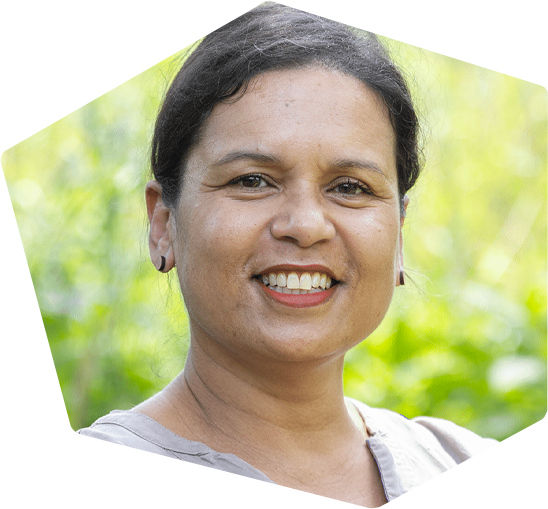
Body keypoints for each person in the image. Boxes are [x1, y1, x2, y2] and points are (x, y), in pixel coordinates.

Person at [55, 1, 511, 508]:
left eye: (350, 187)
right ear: (163, 225)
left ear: (399, 234)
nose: (306, 226)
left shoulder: (468, 469)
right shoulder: (110, 479)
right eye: (252, 180)